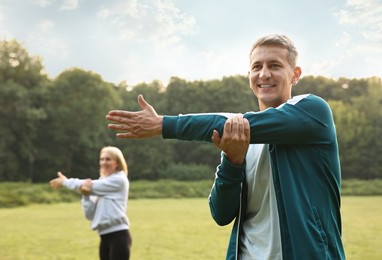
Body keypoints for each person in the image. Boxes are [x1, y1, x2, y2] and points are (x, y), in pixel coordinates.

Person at [105, 34, 345, 259]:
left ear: (295, 74)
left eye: (274, 65)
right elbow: (221, 214)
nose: (264, 74)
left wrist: (163, 124)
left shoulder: (313, 110)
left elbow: (226, 122)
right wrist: (233, 161)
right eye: (256, 67)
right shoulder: (238, 138)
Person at [50, 146, 132, 260]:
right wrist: (86, 195)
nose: (104, 162)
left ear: (117, 163)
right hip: (104, 237)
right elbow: (89, 215)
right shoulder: (102, 182)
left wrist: (65, 182)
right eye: (102, 159)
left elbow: (89, 185)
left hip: (118, 236)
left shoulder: (119, 180)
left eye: (108, 159)